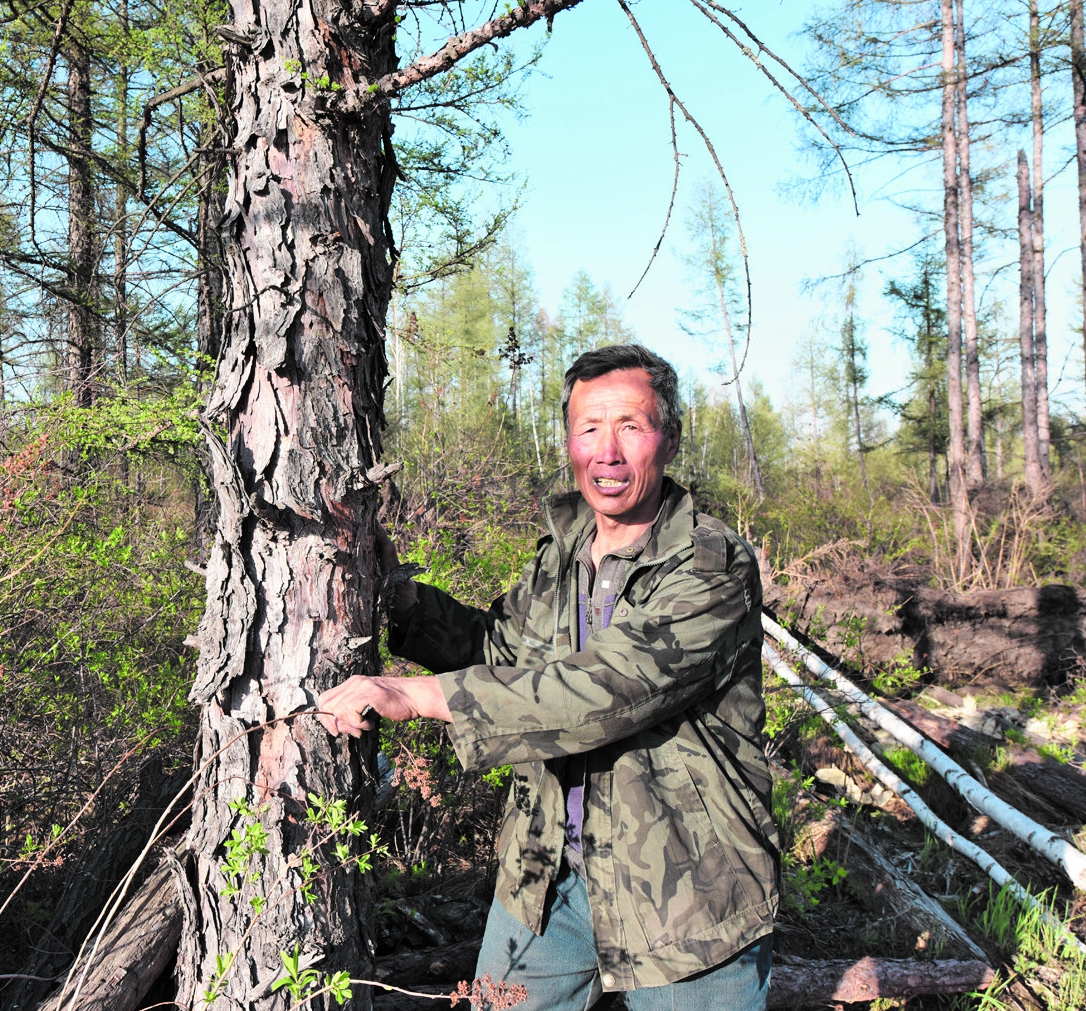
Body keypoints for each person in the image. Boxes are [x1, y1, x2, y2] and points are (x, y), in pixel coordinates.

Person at [318, 344, 778, 1010]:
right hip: (545, 879)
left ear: (669, 439)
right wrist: (399, 599)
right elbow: (501, 648)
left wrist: (418, 696)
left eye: (629, 425)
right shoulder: (559, 558)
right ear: (569, 441)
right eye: (589, 428)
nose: (607, 451)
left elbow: (609, 687)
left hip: (687, 894)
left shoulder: (710, 564)